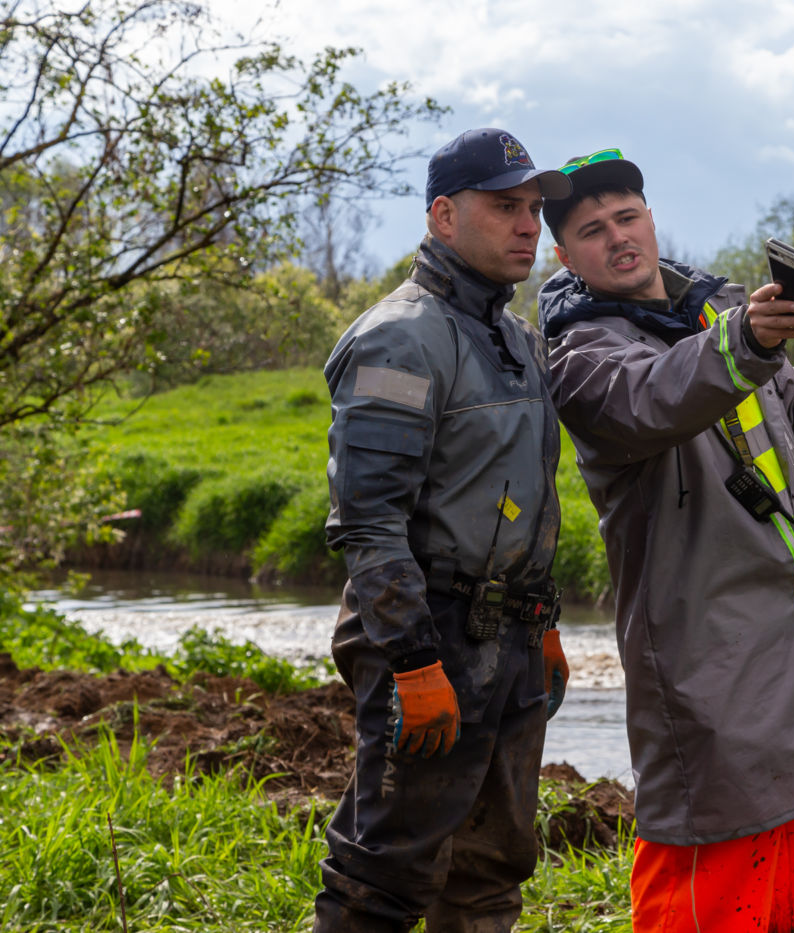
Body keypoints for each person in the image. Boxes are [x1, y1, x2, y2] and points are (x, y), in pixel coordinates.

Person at [537, 148, 794, 932]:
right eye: (592, 230)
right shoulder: (581, 356)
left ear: (651, 220)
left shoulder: (709, 317)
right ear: (566, 258)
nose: (617, 237)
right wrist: (743, 340)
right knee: (710, 895)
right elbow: (653, 397)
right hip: (710, 675)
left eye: (626, 217)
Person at [315, 128, 573, 933]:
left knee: (491, 869)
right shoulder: (400, 337)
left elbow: (523, 498)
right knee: (384, 878)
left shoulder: (520, 341)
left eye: (532, 208)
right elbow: (369, 520)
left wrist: (545, 622)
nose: (527, 225)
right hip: (431, 635)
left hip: (512, 641)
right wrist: (414, 661)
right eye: (505, 207)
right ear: (443, 216)